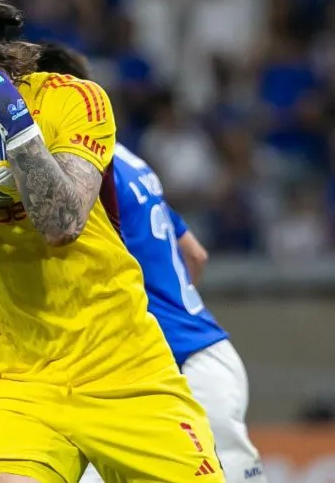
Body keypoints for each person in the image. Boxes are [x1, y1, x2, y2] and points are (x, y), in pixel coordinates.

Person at [0, 0, 225, 483]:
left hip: (126, 369)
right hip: (19, 383)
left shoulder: (73, 99)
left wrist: (15, 123)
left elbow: (62, 222)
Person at [36, 43, 267, 483]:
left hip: (177, 368)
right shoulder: (129, 159)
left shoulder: (83, 171)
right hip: (194, 351)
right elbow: (193, 252)